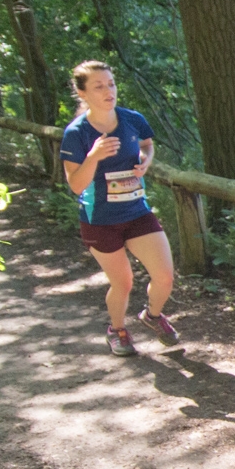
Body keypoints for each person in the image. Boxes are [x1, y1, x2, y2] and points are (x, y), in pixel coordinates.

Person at [58, 60, 179, 356]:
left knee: (164, 276)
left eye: (111, 84)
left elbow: (148, 145)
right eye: (98, 86)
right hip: (99, 220)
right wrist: (94, 156)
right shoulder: (76, 134)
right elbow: (75, 184)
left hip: (137, 211)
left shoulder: (132, 119)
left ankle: (152, 316)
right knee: (123, 283)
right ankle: (117, 330)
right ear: (82, 92)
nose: (108, 91)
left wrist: (146, 161)